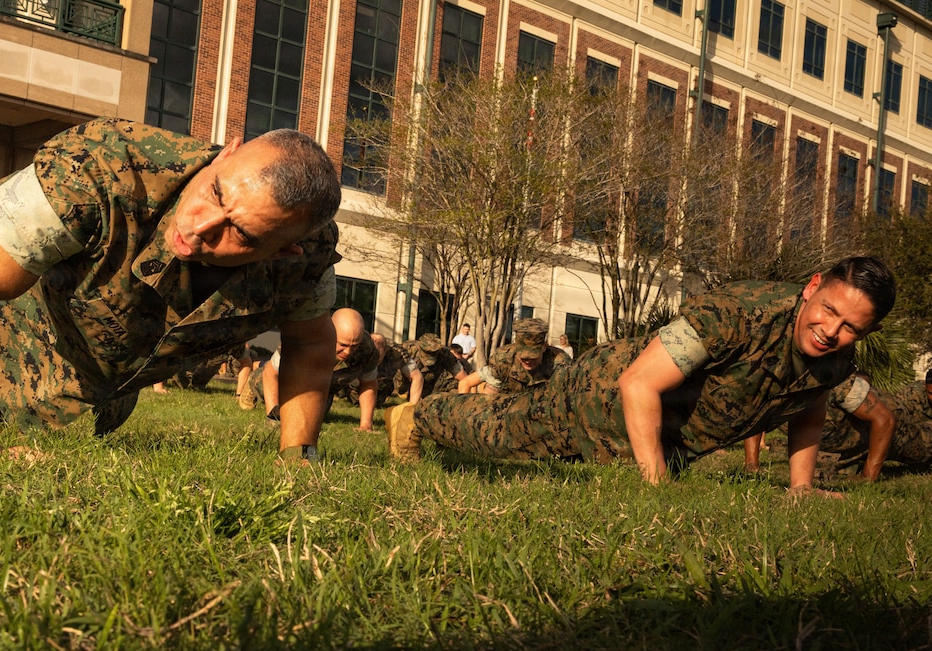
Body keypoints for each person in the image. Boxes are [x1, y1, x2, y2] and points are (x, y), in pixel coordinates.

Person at [0, 118, 341, 464]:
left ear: (285, 251)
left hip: (107, 350)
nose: (198, 228)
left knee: (61, 409)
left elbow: (312, 345)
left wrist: (299, 457)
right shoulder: (102, 165)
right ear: (227, 153)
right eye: (216, 193)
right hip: (15, 279)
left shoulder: (308, 259)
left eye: (239, 233)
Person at [386, 257, 896, 496]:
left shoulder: (835, 360)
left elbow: (806, 405)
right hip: (600, 395)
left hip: (663, 431)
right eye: (829, 310)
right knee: (501, 432)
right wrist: (655, 485)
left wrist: (799, 486)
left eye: (852, 327)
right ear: (812, 288)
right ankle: (416, 416)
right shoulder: (740, 312)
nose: (831, 330)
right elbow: (638, 383)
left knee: (508, 424)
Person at [745, 369, 932, 481]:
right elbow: (756, 417)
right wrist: (752, 465)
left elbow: (886, 421)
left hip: (894, 427)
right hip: (854, 440)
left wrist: (867, 477)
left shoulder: (832, 381)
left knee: (925, 450)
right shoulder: (771, 386)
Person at [241, 308, 380, 431]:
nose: (348, 352)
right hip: (289, 377)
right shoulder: (303, 338)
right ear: (330, 331)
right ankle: (252, 381)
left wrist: (366, 423)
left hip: (323, 384)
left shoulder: (367, 349)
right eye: (343, 344)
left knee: (312, 417)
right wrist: (273, 417)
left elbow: (368, 384)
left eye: (354, 346)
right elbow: (271, 373)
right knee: (267, 383)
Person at [456, 318, 569, 395]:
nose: (528, 361)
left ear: (544, 347)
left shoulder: (560, 364)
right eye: (523, 357)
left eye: (532, 357)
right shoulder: (503, 360)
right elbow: (466, 383)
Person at [344, 333, 423, 407]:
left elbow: (417, 377)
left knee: (374, 404)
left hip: (379, 386)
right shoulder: (356, 347)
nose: (373, 359)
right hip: (355, 384)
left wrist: (412, 405)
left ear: (386, 350)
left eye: (377, 357)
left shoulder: (398, 353)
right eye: (371, 356)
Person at [403, 333, 467, 399]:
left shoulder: (446, 355)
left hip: (429, 382)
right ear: (419, 347)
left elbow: (464, 378)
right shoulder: (406, 349)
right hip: (405, 378)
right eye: (427, 354)